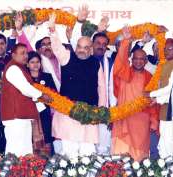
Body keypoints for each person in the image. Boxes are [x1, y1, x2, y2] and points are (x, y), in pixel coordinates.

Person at [48, 13, 106, 157]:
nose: (81, 50)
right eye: (79, 46)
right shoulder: (67, 56)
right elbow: (56, 47)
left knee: (88, 153)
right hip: (68, 114)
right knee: (70, 153)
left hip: (89, 114)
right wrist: (52, 30)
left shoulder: (95, 63)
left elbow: (102, 87)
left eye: (85, 47)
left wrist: (101, 110)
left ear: (91, 49)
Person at [112, 27, 158, 161]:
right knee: (121, 158)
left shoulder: (150, 77)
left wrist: (154, 122)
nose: (138, 61)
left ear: (145, 61)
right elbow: (120, 61)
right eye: (135, 58)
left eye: (141, 59)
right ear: (131, 60)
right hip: (123, 118)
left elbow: (152, 102)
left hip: (141, 122)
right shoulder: (124, 73)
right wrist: (126, 41)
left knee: (139, 158)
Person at [0, 43, 52, 156]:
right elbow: (25, 88)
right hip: (15, 117)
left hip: (21, 116)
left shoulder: (20, 68)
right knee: (16, 152)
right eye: (22, 53)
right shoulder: (13, 68)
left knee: (24, 152)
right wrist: (41, 95)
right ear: (13, 55)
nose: (25, 56)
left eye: (26, 53)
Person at [149, 38, 173, 158]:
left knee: (168, 144)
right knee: (164, 143)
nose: (166, 52)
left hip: (172, 109)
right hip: (163, 109)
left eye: (170, 49)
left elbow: (172, 89)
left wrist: (155, 98)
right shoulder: (165, 63)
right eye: (165, 50)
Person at [27, 51, 57, 155]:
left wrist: (43, 98)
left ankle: (47, 163)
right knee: (29, 139)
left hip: (44, 113)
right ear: (27, 64)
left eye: (37, 62)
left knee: (47, 138)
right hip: (29, 113)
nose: (35, 64)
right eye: (32, 62)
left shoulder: (47, 76)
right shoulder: (25, 78)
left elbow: (54, 94)